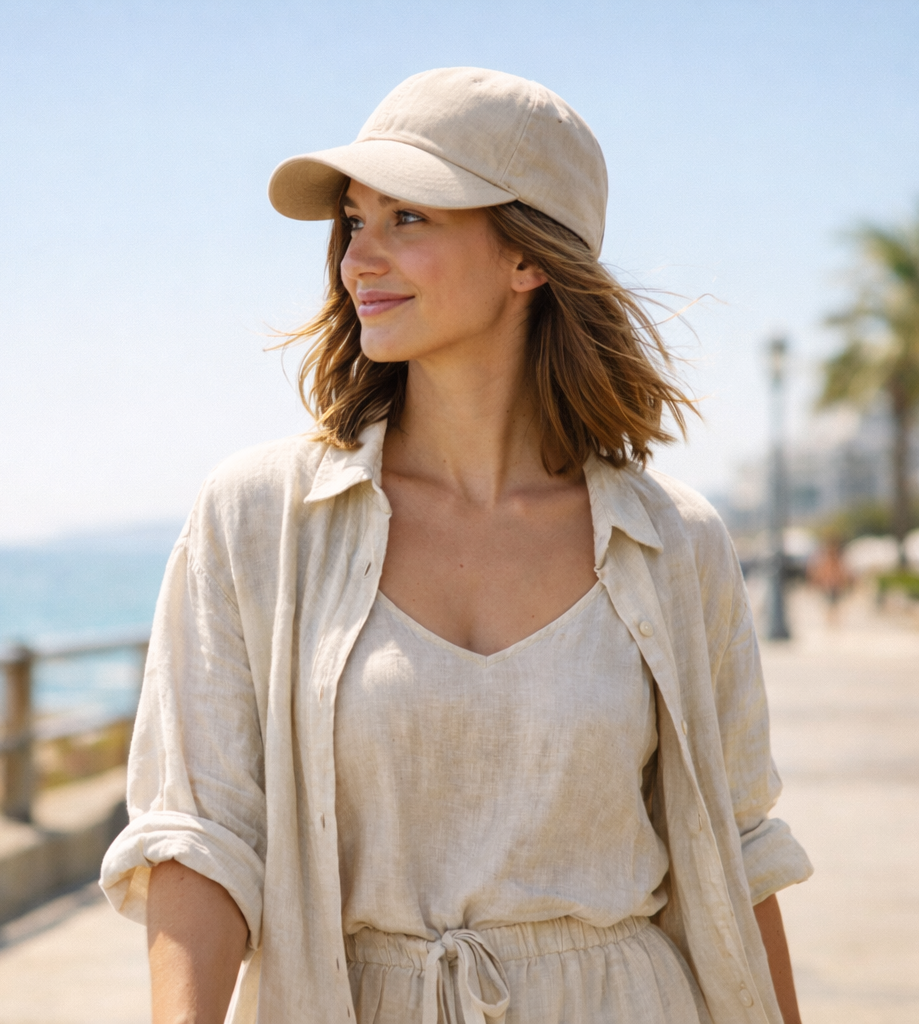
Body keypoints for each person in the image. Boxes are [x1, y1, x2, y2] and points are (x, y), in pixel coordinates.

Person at [99, 68, 812, 1024]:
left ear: (528, 258)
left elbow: (737, 848)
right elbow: (202, 832)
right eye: (354, 222)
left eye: (410, 220)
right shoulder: (262, 517)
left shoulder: (672, 543)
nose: (359, 260)